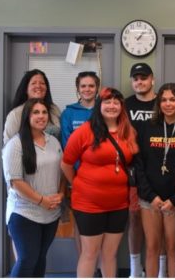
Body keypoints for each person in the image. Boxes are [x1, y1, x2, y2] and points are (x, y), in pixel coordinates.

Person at [61, 87, 139, 278]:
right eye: (107, 102)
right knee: (90, 253)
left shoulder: (128, 131)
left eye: (116, 102)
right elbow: (66, 164)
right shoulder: (85, 132)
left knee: (110, 255)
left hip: (119, 204)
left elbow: (133, 161)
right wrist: (79, 183)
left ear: (121, 106)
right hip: (89, 204)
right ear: (99, 105)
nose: (112, 106)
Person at [2, 98, 64, 277]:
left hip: (51, 213)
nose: (41, 116)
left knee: (40, 258)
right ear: (27, 117)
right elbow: (15, 181)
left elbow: (61, 172)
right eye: (36, 112)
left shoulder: (53, 141)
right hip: (24, 213)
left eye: (44, 112)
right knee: (27, 259)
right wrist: (41, 200)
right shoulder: (15, 144)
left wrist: (60, 194)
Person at [136, 83, 175, 278]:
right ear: (158, 103)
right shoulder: (147, 127)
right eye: (164, 100)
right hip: (150, 198)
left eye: (173, 99)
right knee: (152, 247)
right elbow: (139, 163)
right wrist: (150, 196)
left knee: (174, 247)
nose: (168, 104)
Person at [60, 71, 100, 259]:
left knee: (101, 224)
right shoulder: (69, 113)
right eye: (83, 86)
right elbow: (68, 146)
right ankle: (84, 266)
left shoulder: (104, 109)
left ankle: (99, 267)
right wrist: (79, 174)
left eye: (91, 86)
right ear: (78, 88)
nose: (87, 89)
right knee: (81, 223)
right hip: (78, 178)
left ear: (97, 88)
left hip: (102, 178)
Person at [125, 62, 157, 278]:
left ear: (152, 79)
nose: (139, 81)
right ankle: (136, 270)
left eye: (143, 77)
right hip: (132, 170)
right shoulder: (125, 105)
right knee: (135, 217)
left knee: (162, 218)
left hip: (160, 168)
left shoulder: (162, 103)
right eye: (136, 78)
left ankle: (161, 269)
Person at [4, 69, 61, 144]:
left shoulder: (54, 109)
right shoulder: (15, 114)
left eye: (42, 83)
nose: (38, 86)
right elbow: (8, 146)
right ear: (26, 89)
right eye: (33, 83)